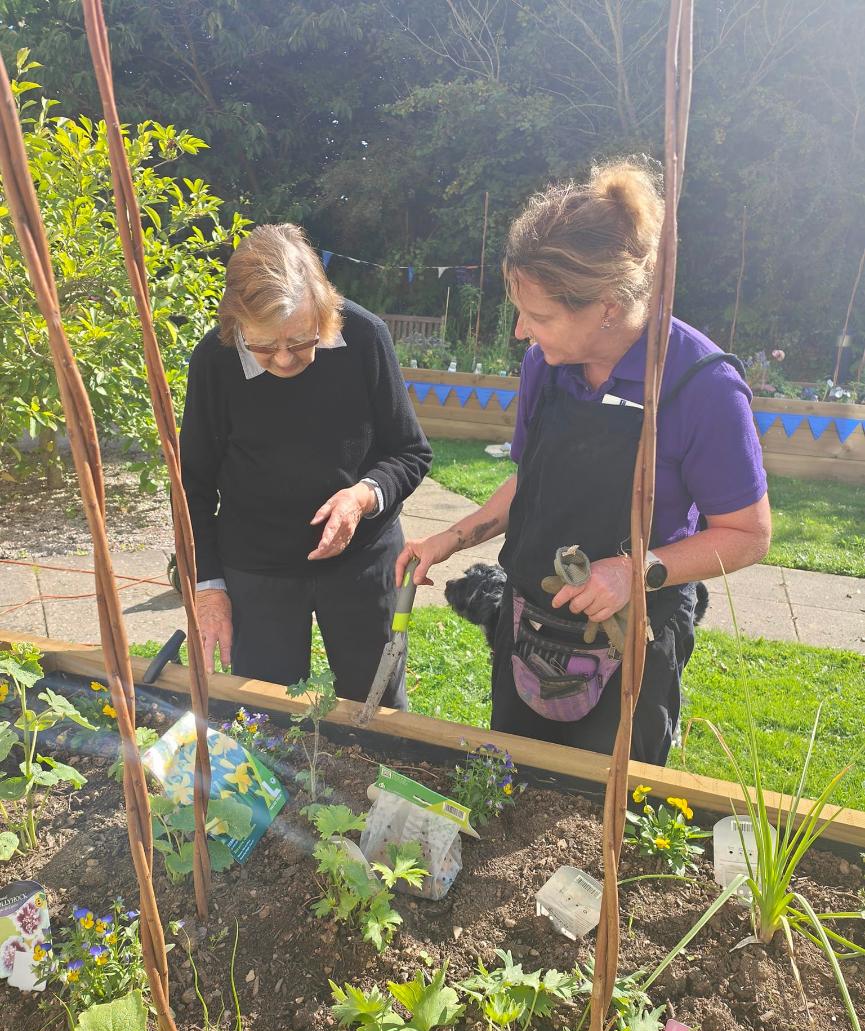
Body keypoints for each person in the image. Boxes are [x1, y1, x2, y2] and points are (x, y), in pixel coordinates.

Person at [397, 160, 771, 765]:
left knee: (603, 816)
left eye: (539, 316)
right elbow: (530, 481)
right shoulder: (545, 366)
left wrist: (632, 572)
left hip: (631, 638)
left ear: (604, 306)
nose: (521, 331)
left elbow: (749, 535)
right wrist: (449, 539)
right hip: (529, 623)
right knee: (511, 786)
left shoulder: (700, 384)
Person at [180, 223, 431, 706]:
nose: (282, 360)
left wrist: (362, 497)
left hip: (362, 560)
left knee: (375, 708)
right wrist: (209, 588)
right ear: (235, 324)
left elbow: (409, 451)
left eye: (299, 342)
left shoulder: (364, 338)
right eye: (262, 345)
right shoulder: (215, 360)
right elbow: (192, 482)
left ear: (325, 311)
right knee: (262, 711)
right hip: (258, 567)